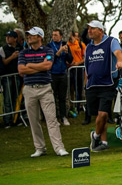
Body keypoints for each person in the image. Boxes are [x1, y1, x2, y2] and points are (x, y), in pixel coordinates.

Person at [17, 27, 69, 157]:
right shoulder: (23, 53)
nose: (29, 37)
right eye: (28, 35)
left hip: (45, 88)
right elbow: (21, 71)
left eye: (32, 35)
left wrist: (30, 66)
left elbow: (47, 66)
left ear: (39, 37)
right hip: (29, 89)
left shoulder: (48, 50)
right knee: (34, 121)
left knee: (51, 119)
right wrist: (38, 67)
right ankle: (40, 148)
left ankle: (59, 148)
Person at [84, 20, 122, 152]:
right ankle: (104, 142)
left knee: (103, 114)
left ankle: (95, 135)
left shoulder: (111, 41)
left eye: (93, 28)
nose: (89, 31)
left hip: (107, 83)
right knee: (101, 116)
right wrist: (86, 83)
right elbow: (86, 67)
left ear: (100, 30)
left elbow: (118, 52)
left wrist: (119, 61)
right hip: (92, 85)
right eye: (89, 28)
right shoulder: (88, 47)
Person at [47, 29, 73, 126]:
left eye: (56, 35)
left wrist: (66, 53)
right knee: (52, 97)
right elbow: (49, 59)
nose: (54, 37)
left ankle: (63, 117)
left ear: (61, 36)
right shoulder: (49, 46)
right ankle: (53, 118)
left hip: (63, 74)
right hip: (53, 74)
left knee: (62, 97)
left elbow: (70, 59)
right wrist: (58, 52)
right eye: (53, 35)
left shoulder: (65, 45)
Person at [0, 31, 21, 128]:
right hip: (7, 76)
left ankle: (16, 119)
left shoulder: (20, 47)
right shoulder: (3, 49)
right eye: (7, 36)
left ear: (15, 38)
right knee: (7, 99)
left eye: (10, 37)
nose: (7, 38)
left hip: (17, 76)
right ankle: (7, 120)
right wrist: (12, 57)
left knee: (16, 98)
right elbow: (4, 62)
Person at [67, 30, 86, 115]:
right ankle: (71, 106)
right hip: (69, 69)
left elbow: (85, 57)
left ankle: (79, 106)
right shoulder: (66, 44)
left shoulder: (81, 45)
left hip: (79, 68)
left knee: (78, 88)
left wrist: (78, 63)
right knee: (70, 89)